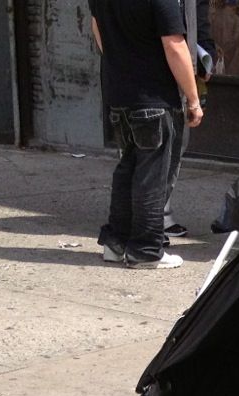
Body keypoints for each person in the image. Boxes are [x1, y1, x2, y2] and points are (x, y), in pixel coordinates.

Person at [90, 0, 204, 269]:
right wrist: (193, 98)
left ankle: (116, 242)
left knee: (127, 167)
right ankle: (145, 249)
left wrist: (123, 65)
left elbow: (98, 31)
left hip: (120, 94)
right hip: (153, 97)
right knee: (151, 175)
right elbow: (174, 45)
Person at [163, 0, 217, 239]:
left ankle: (156, 215)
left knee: (174, 145)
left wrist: (207, 52)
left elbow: (200, 22)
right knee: (150, 152)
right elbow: (172, 43)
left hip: (180, 68)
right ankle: (149, 221)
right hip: (149, 73)